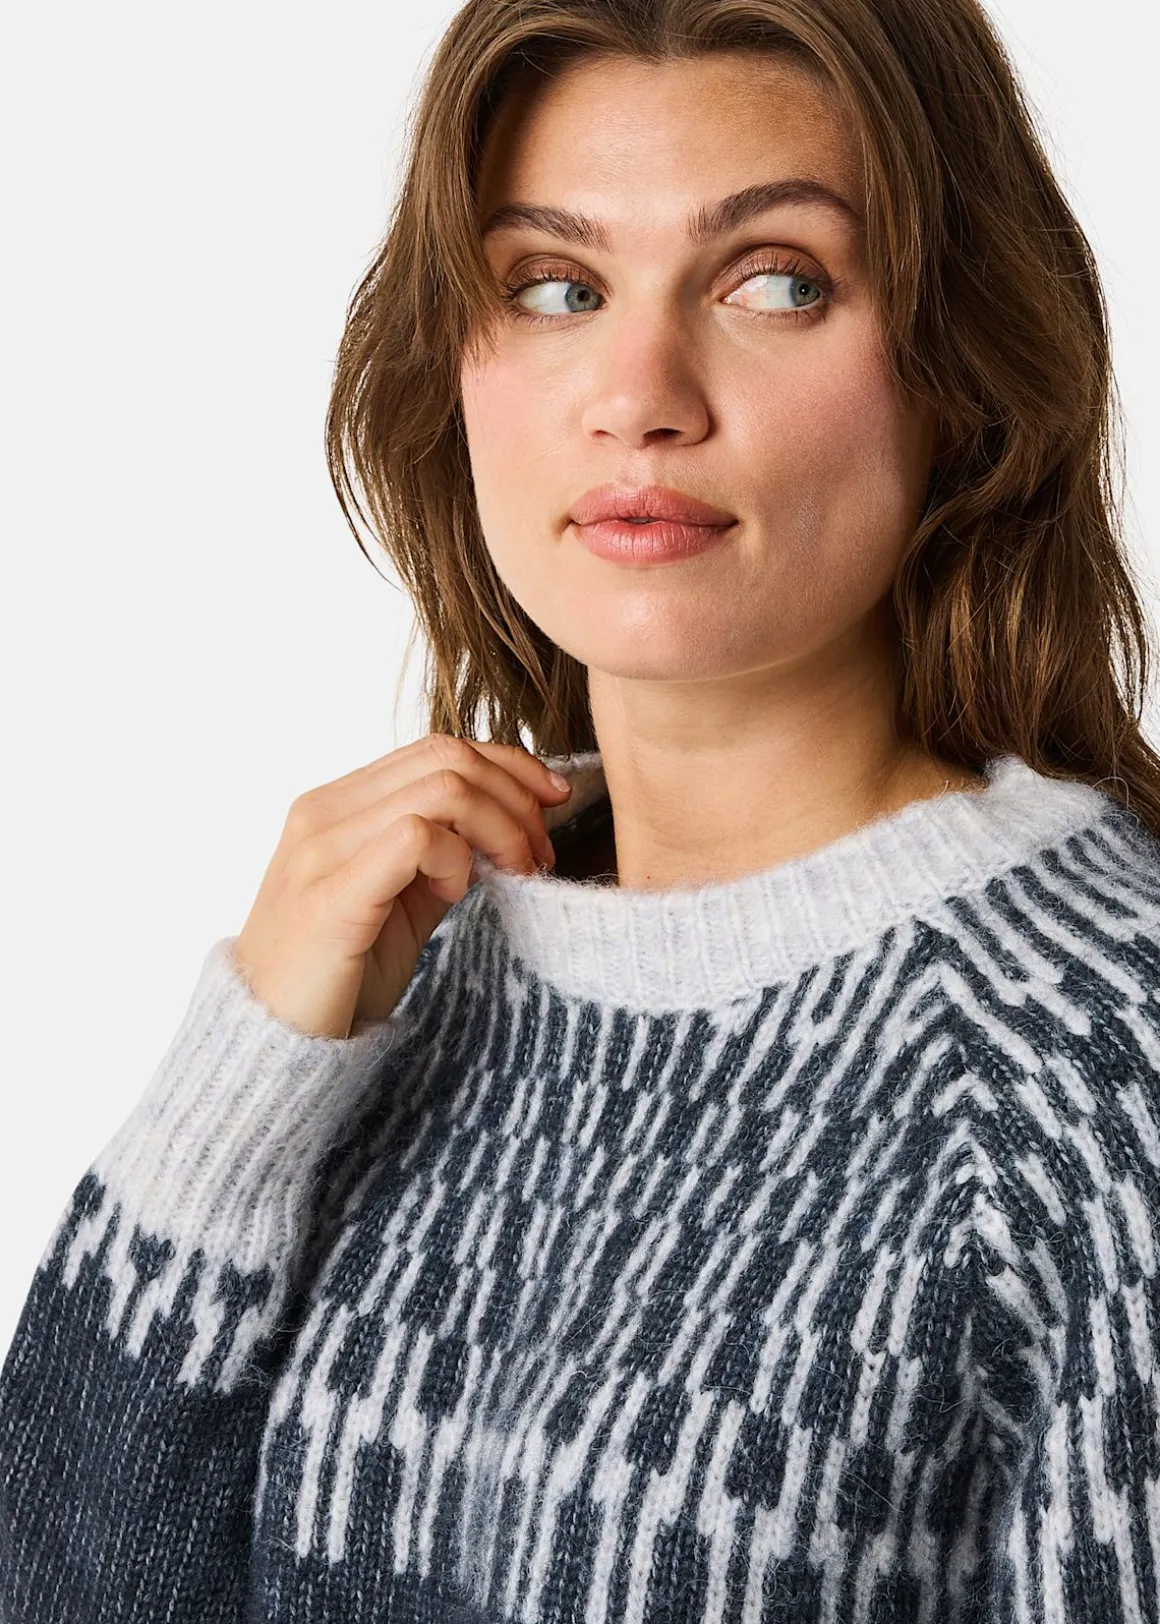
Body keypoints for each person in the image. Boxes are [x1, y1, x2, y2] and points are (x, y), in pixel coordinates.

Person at [3, 0, 1160, 1619]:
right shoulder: (388, 977)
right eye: (554, 286)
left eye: (776, 281)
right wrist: (241, 1083)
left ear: (962, 368)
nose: (640, 395)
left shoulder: (1092, 1068)